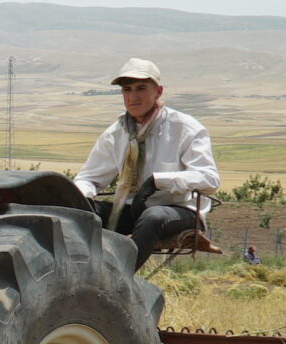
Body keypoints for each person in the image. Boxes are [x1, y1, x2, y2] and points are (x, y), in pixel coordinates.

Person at [73, 58, 219, 265]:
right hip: (132, 210)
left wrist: (158, 181)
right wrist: (80, 198)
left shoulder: (185, 128)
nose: (133, 97)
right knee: (74, 210)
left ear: (158, 91)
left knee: (154, 216)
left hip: (177, 211)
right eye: (127, 90)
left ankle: (121, 279)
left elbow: (209, 179)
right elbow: (89, 177)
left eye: (141, 88)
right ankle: (82, 269)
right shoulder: (115, 134)